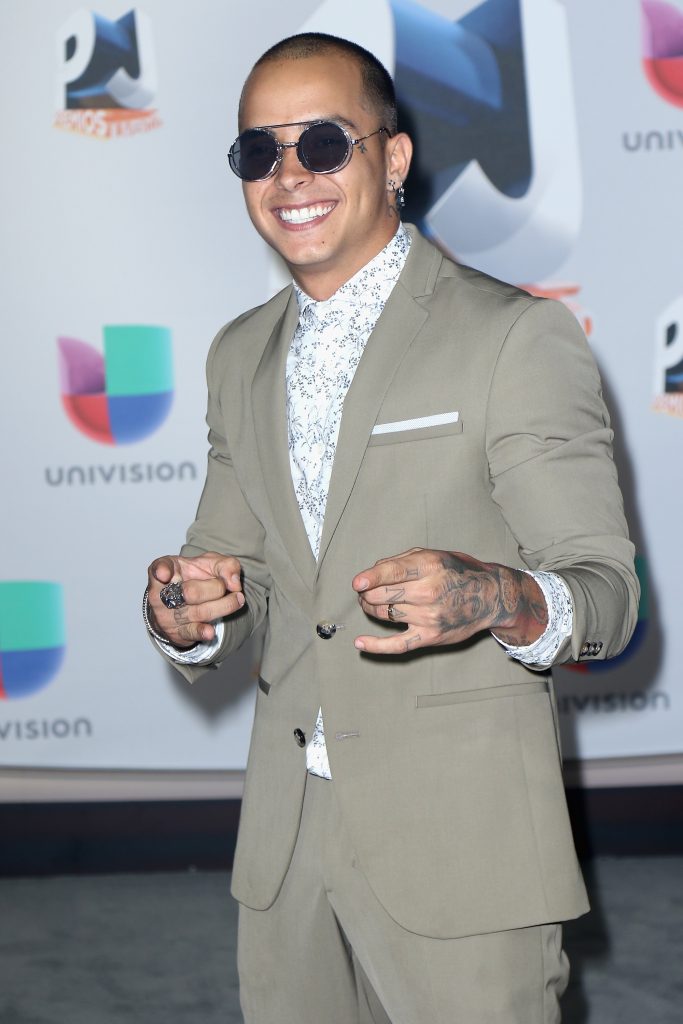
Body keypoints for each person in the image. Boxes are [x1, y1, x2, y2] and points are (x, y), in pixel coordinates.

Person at [143, 32, 638, 1024]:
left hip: (462, 848)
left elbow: (604, 599)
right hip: (286, 855)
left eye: (322, 143)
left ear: (393, 158)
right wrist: (184, 612)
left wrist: (493, 594)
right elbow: (230, 577)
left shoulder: (511, 336)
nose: (289, 176)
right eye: (258, 151)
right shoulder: (236, 355)